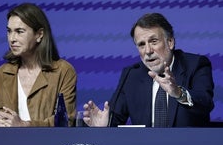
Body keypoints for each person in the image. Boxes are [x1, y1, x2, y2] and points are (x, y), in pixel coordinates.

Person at [83, 13, 214, 127]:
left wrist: (179, 93)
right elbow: (115, 119)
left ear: (170, 42)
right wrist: (105, 125)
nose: (148, 51)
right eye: (141, 44)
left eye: (154, 41)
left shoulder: (196, 65)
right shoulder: (131, 74)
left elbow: (206, 104)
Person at [0, 3, 76, 127]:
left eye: (19, 31)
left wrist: (24, 125)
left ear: (39, 34)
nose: (12, 38)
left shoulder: (63, 71)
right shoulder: (2, 73)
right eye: (9, 31)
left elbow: (66, 120)